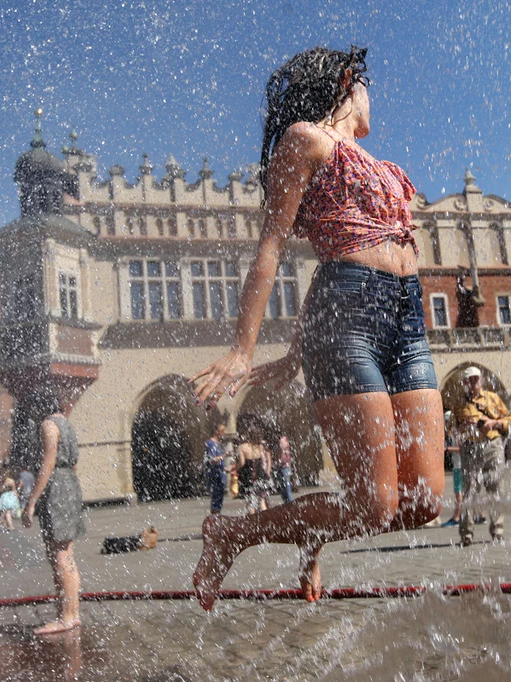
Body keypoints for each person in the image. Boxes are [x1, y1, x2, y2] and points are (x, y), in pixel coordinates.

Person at [191, 46, 444, 610]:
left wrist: (295, 352)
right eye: (369, 87)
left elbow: (335, 264)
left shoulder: (386, 168)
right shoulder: (304, 140)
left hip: (406, 320)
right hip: (348, 321)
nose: (374, 100)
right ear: (350, 83)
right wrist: (242, 348)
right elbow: (272, 247)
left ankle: (309, 530)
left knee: (425, 499)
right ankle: (230, 534)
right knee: (375, 505)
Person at [22, 394, 88, 635]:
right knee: (66, 553)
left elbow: (47, 463)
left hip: (57, 488)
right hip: (70, 483)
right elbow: (74, 463)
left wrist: (31, 503)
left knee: (60, 555)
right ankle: (72, 612)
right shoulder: (66, 423)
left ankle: (67, 617)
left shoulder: (48, 425)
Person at [454, 366, 511, 546]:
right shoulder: (459, 405)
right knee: (470, 491)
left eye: (476, 379)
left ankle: (497, 531)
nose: (473, 383)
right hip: (470, 447)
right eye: (469, 380)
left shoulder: (493, 398)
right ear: (464, 383)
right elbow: (451, 430)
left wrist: (493, 423)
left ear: (482, 380)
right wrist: (465, 426)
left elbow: (508, 420)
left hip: (492, 446)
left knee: (495, 488)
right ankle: (466, 534)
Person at [235, 415, 271, 515]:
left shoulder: (242, 447)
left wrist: (236, 468)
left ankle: (253, 521)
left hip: (248, 476)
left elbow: (242, 463)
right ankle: (265, 519)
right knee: (262, 500)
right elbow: (263, 461)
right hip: (260, 474)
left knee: (250, 501)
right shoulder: (259, 447)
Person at [441, 412, 463, 527]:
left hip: (460, 466)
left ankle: (456, 517)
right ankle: (479, 515)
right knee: (465, 492)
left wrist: (447, 449)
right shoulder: (455, 433)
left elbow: (461, 449)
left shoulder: (458, 433)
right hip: (458, 466)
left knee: (458, 493)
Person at [204, 422, 228, 514]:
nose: (224, 433)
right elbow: (212, 460)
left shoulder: (217, 444)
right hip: (215, 476)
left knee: (219, 499)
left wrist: (226, 469)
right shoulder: (210, 444)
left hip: (220, 475)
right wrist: (224, 456)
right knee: (216, 499)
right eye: (222, 431)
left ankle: (217, 517)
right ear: (216, 432)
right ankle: (214, 519)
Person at [267, 423, 294, 504]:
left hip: (282, 466)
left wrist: (275, 461)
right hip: (287, 465)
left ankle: (289, 503)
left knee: (285, 487)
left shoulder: (280, 441)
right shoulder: (286, 439)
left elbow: (280, 453)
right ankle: (288, 503)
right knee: (286, 485)